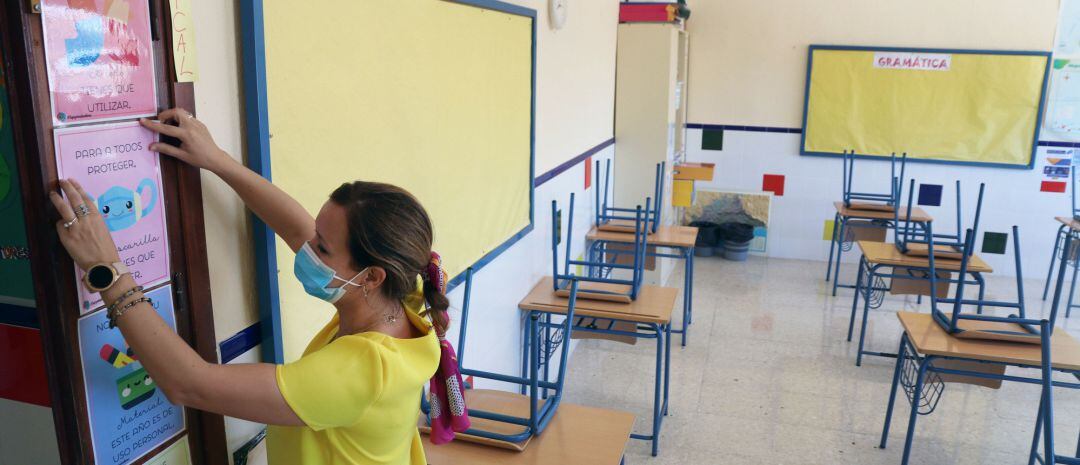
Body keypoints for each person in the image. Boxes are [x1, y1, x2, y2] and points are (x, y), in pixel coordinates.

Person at [48, 108, 468, 465]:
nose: (306, 249)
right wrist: (216, 160)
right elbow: (296, 225)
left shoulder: (361, 370)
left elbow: (188, 383)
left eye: (321, 247)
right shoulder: (402, 295)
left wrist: (105, 266)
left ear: (371, 276)